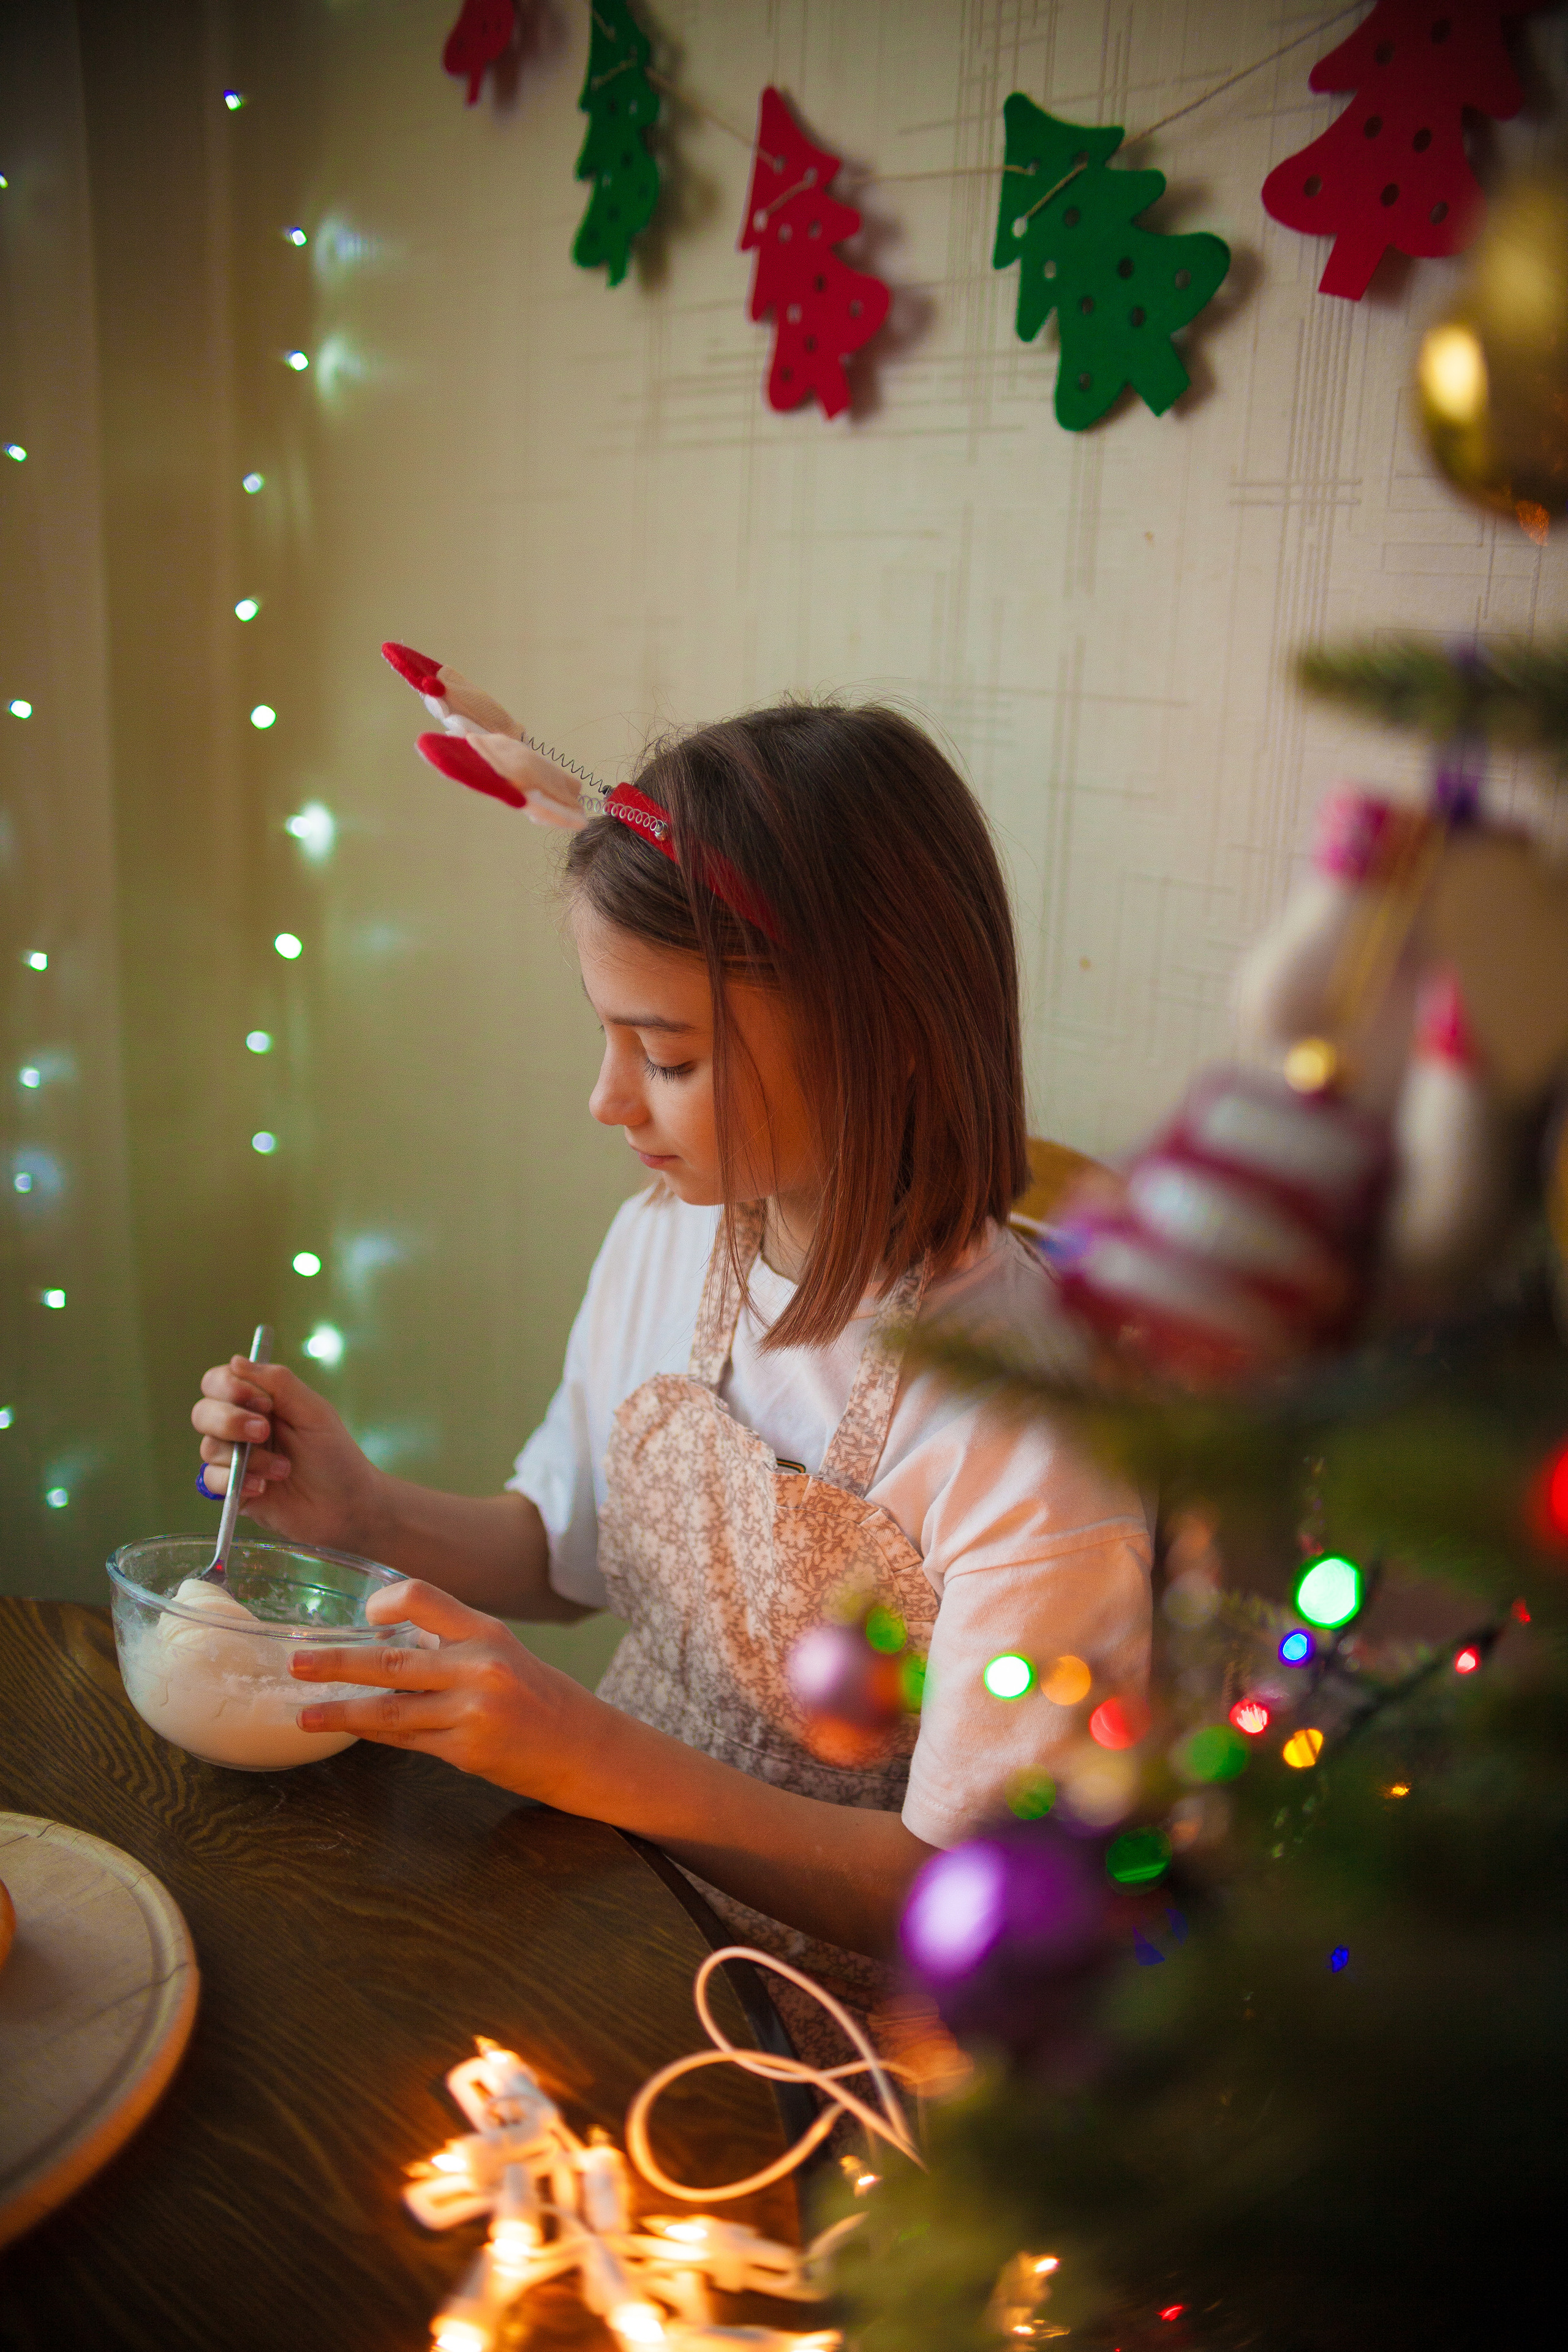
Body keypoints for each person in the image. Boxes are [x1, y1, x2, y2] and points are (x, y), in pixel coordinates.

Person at [190, 699, 1150, 2043]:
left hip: (834, 2031)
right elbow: (564, 1558)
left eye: (668, 1056)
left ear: (884, 1030)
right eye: (613, 1038)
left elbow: (964, 1901)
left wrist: (585, 1752)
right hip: (602, 1896)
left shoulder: (1029, 1430)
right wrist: (362, 1511)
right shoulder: (666, 1236)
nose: (608, 1100)